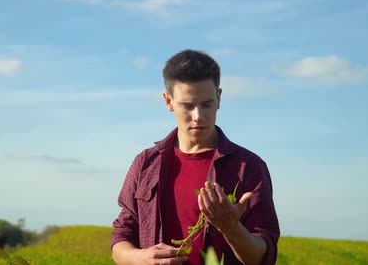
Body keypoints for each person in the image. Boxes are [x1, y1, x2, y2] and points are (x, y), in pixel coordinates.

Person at [111, 49, 280, 265]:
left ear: (219, 98)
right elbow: (121, 236)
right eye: (188, 106)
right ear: (168, 101)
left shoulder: (248, 167)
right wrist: (141, 258)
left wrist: (230, 228)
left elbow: (262, 257)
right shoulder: (145, 163)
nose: (198, 116)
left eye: (207, 104)